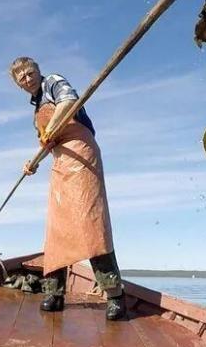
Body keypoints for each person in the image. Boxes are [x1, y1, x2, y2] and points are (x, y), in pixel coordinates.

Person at [9, 56, 126, 320]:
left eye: (30, 73)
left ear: (38, 71)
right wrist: (32, 164)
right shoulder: (36, 108)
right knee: (57, 229)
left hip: (81, 154)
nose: (28, 79)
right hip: (60, 161)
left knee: (91, 223)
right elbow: (46, 143)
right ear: (19, 85)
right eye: (22, 78)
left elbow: (69, 102)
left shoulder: (53, 82)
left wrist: (50, 128)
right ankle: (54, 293)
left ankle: (115, 296)